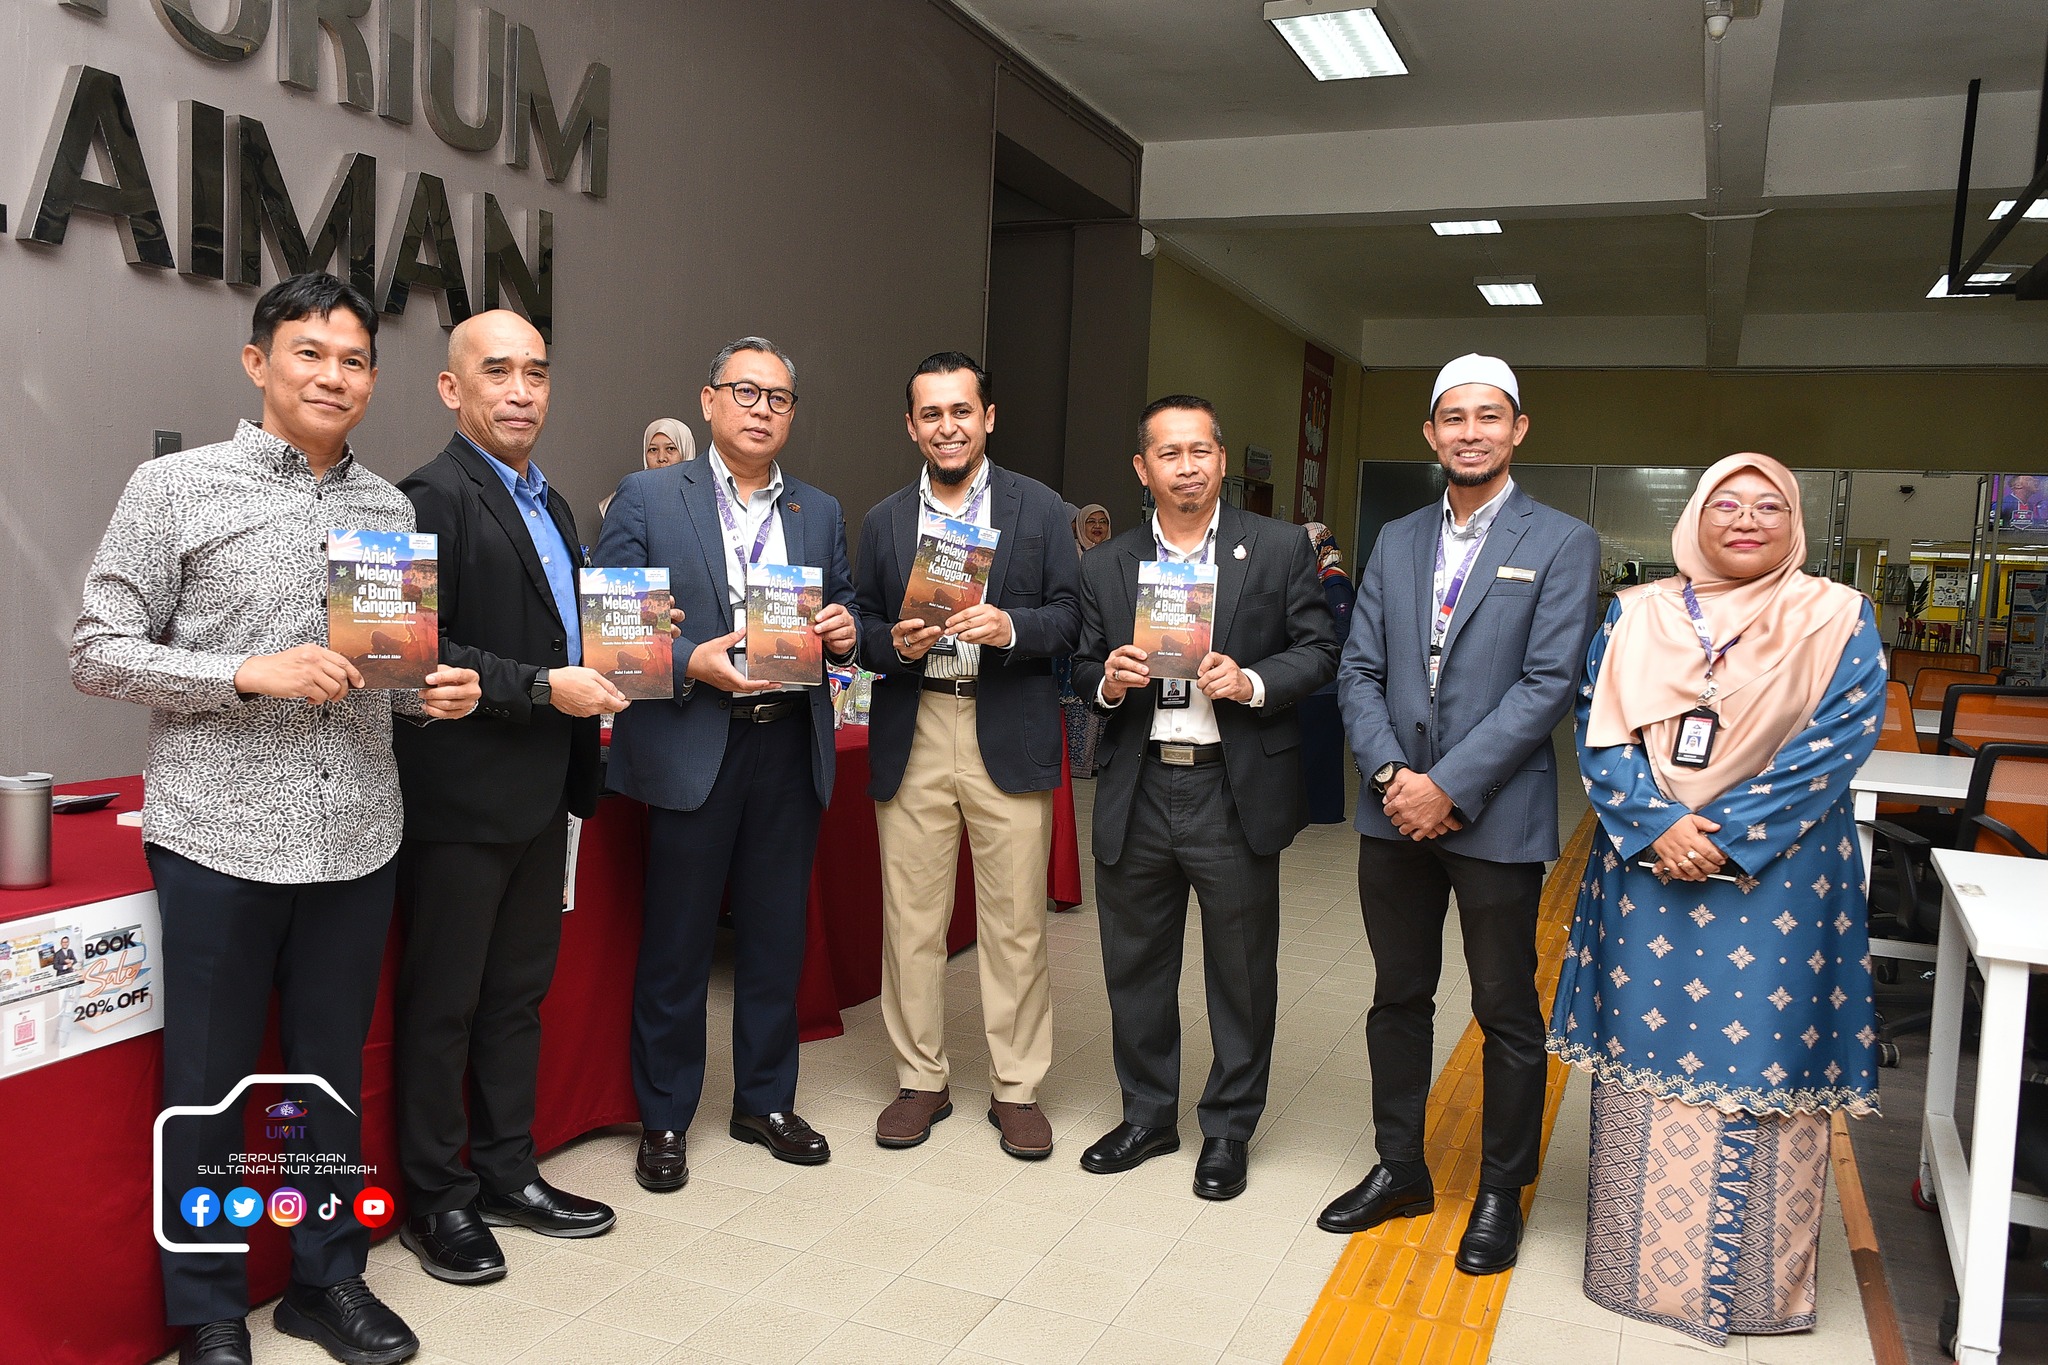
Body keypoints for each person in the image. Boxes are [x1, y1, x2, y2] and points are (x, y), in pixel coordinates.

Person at [71, 273, 480, 1365]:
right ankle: (207, 1307)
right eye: (310, 353)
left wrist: (429, 693)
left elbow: (384, 671)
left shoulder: (389, 510)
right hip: (217, 836)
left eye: (353, 360)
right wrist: (245, 672)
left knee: (325, 1078)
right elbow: (98, 652)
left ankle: (324, 1279)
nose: (333, 376)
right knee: (206, 1086)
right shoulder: (174, 488)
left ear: (372, 379)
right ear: (258, 363)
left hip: (356, 835)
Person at [1549, 454, 1881, 1345]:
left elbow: (1838, 739)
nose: (1745, 518)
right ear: (1694, 516)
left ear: (1795, 522)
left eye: (1768, 505)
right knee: (1643, 1048)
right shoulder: (1637, 612)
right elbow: (1597, 725)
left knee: (1771, 1052)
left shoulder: (1836, 614)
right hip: (1647, 873)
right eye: (1725, 503)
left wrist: (1725, 835)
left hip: (1784, 877)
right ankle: (1638, 1269)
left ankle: (1760, 1291)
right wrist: (1658, 824)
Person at [1322, 353, 1600, 1277]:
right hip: (1392, 811)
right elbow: (1359, 668)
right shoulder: (1398, 538)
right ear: (1431, 433)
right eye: (1454, 417)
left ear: (1518, 429)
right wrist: (1394, 775)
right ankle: (1400, 1167)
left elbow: (1547, 684)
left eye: (1489, 416)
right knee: (1397, 994)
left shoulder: (1561, 540)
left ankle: (1500, 1191)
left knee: (1505, 1007)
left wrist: (1447, 786)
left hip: (1495, 814)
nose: (1470, 432)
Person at [390, 311, 624, 1287]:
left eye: (536, 372)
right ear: (453, 389)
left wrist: (630, 657)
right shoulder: (424, 497)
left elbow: (563, 633)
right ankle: (435, 1199)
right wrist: (538, 685)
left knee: (515, 999)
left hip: (540, 795)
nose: (521, 390)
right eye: (497, 371)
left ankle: (506, 1172)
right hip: (458, 801)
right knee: (443, 1007)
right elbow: (404, 647)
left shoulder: (552, 502)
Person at [597, 336, 859, 1192]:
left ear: (792, 414)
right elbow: (610, 632)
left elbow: (845, 610)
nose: (761, 409)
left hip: (788, 742)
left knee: (776, 938)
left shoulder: (819, 509)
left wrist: (846, 631)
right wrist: (689, 664)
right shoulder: (645, 495)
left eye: (778, 397)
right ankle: (666, 1116)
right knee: (677, 943)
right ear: (709, 400)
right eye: (745, 391)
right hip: (693, 739)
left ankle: (766, 1102)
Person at [1072, 395, 1338, 1201]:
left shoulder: (1279, 547)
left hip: (1232, 783)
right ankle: (1148, 1113)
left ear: (1221, 459)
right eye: (1168, 453)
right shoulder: (1108, 563)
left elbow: (1320, 650)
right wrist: (1107, 682)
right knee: (1134, 964)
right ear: (1142, 467)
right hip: (1141, 781)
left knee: (1241, 969)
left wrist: (1251, 679)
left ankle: (1227, 1128)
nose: (1186, 467)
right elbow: (1080, 665)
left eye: (1200, 451)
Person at [853, 352, 1083, 1157]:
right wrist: (894, 642)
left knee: (1014, 922)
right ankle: (921, 1078)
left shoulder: (1040, 507)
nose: (946, 426)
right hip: (915, 723)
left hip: (1006, 722)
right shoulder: (884, 520)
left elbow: (1073, 618)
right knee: (911, 920)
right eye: (931, 413)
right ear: (910, 426)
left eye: (961, 410)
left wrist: (1011, 626)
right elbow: (861, 626)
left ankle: (1016, 1086)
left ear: (988, 417)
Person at [1299, 522, 1356, 824]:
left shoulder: (1335, 585)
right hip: (1316, 680)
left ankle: (1325, 811)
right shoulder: (1320, 579)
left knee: (1322, 750)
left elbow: (1342, 635)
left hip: (1327, 682)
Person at [1061, 503, 1115, 778]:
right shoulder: (1069, 557)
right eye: (1090, 521)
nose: (1097, 527)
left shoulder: (1116, 558)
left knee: (1103, 692)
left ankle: (1094, 761)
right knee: (1075, 698)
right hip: (1074, 638)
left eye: (1102, 522)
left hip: (1105, 638)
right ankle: (1075, 763)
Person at [599, 419, 697, 523]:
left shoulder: (701, 499)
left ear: (686, 451)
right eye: (653, 450)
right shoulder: (626, 499)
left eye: (670, 448)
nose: (661, 458)